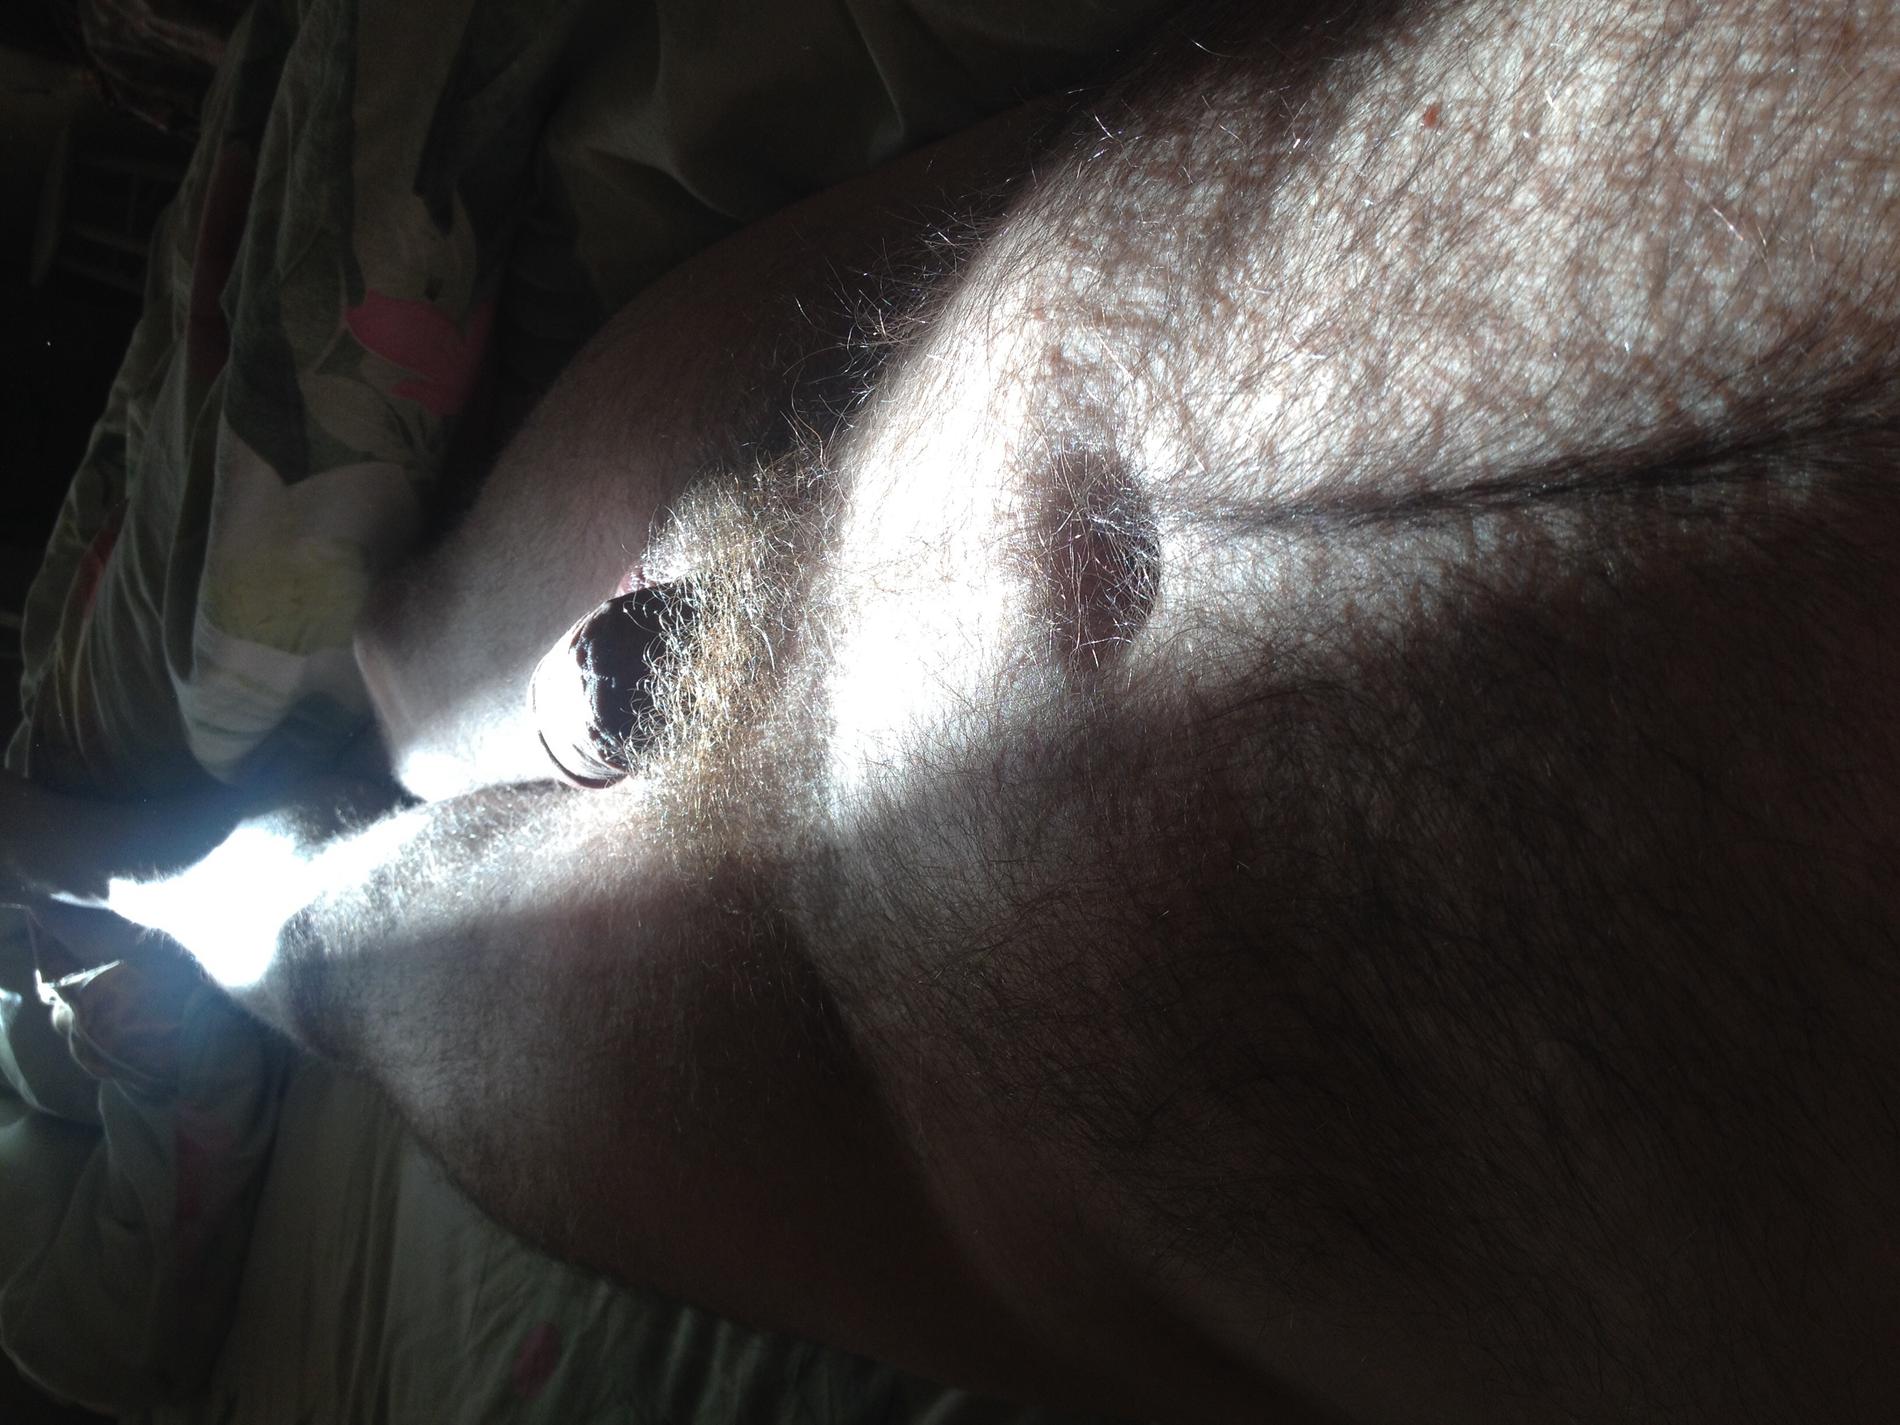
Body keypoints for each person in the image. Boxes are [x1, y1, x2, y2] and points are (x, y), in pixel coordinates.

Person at [9, 0, 1900, 1419]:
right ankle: (207, 857)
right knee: (403, 687)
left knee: (321, 950)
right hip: (848, 405)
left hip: (874, 1057)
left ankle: (198, 903)